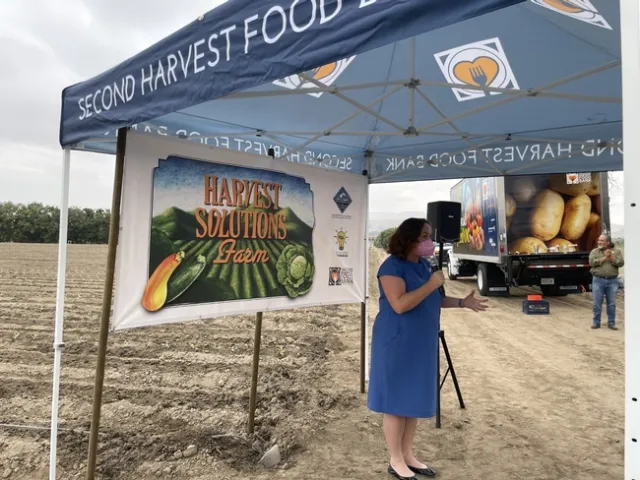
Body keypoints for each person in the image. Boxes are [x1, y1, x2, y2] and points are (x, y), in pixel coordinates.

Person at [367, 218, 488, 480]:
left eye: (429, 236)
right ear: (408, 239)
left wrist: (461, 303)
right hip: (396, 342)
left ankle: (408, 455)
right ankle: (395, 459)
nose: (429, 242)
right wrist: (430, 284)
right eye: (423, 236)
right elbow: (400, 304)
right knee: (395, 403)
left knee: (412, 400)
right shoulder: (391, 267)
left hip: (420, 342)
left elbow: (436, 297)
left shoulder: (424, 265)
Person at [589, 233, 624, 330]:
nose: (599, 242)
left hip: (612, 281)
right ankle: (596, 323)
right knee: (597, 303)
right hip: (598, 280)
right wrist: (604, 257)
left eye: (602, 240)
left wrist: (611, 257)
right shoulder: (595, 251)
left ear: (607, 242)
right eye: (599, 240)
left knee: (611, 303)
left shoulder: (616, 252)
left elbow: (621, 263)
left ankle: (611, 323)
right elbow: (592, 263)